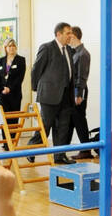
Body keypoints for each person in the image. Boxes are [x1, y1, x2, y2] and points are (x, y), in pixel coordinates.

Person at [30, 23, 76, 163]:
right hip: (49, 95)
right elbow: (36, 69)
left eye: (71, 33)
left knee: (63, 127)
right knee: (45, 125)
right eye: (68, 33)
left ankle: (59, 155)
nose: (70, 36)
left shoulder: (69, 50)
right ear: (58, 34)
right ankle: (32, 150)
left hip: (66, 95)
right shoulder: (47, 47)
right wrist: (36, 88)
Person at [69, 26, 91, 155]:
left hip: (79, 91)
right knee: (73, 120)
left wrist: (78, 94)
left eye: (69, 36)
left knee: (80, 119)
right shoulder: (75, 52)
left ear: (74, 36)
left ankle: (86, 149)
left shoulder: (83, 54)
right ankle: (65, 149)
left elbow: (82, 76)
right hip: (74, 91)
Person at [0, 39, 26, 114]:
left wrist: (10, 88)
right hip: (2, 94)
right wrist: (2, 88)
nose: (12, 48)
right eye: (9, 46)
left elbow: (20, 78)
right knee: (3, 120)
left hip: (14, 94)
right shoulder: (1, 60)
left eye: (14, 46)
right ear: (5, 48)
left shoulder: (21, 60)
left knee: (13, 120)